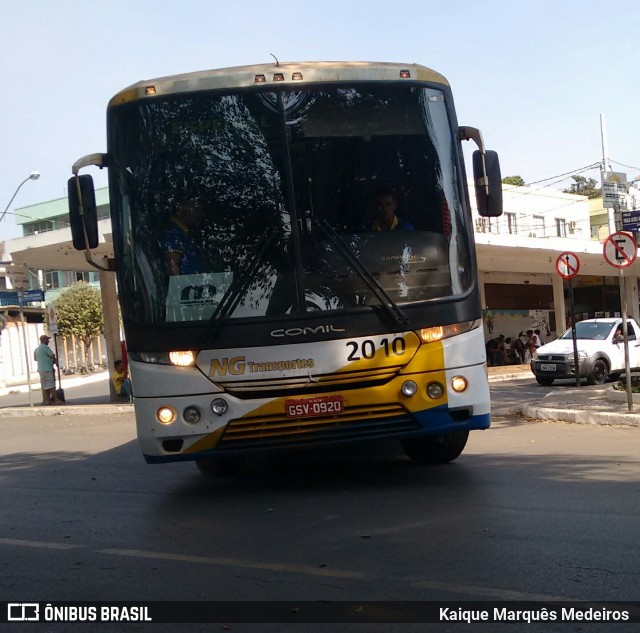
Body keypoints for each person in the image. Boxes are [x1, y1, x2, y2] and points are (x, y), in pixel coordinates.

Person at [163, 198, 205, 275]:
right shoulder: (174, 232)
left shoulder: (184, 232)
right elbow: (172, 267)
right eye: (196, 208)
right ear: (182, 206)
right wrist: (180, 286)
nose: (199, 214)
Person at [33, 334, 62, 405]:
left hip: (41, 370)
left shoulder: (36, 349)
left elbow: (35, 359)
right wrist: (55, 361)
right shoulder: (45, 347)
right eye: (47, 340)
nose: (48, 341)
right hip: (47, 369)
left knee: (44, 386)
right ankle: (56, 400)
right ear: (44, 340)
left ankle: (46, 400)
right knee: (51, 385)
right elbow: (52, 355)